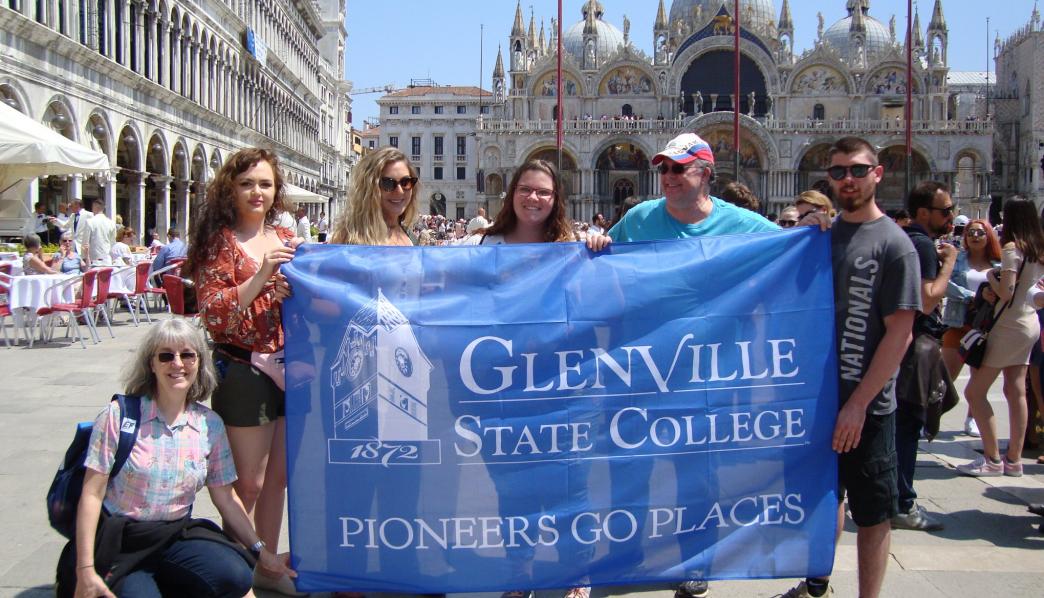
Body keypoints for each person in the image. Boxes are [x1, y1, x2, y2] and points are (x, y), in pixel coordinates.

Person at [608, 133, 779, 598]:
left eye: (678, 169)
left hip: (704, 373)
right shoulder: (640, 218)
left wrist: (821, 229)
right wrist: (592, 240)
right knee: (631, 468)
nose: (667, 177)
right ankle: (626, 554)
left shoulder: (741, 224)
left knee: (696, 473)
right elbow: (601, 257)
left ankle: (695, 560)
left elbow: (792, 251)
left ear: (705, 173)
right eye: (663, 169)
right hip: (642, 368)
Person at [56, 318, 294, 597]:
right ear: (151, 364)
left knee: (236, 575)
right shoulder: (119, 416)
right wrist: (85, 570)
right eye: (166, 356)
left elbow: (227, 500)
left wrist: (262, 553)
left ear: (199, 363)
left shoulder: (208, 425)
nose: (178, 364)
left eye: (187, 355)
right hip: (123, 538)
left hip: (174, 534)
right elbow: (92, 494)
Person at [782, 136, 920, 598]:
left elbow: (899, 335)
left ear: (877, 174)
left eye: (858, 171)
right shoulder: (820, 237)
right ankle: (816, 582)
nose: (848, 180)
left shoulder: (895, 245)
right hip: (817, 400)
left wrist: (859, 405)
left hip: (868, 407)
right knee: (824, 499)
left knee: (874, 511)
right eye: (838, 172)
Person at [465, 159, 607, 598]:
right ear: (512, 193)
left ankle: (574, 574)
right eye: (526, 189)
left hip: (563, 384)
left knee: (570, 480)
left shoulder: (572, 247)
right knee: (512, 486)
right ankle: (519, 572)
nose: (534, 198)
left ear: (556, 199)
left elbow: (599, 300)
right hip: (502, 386)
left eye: (543, 192)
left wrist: (598, 247)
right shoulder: (483, 245)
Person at [182, 147, 300, 596]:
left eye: (265, 184)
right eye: (248, 183)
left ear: (276, 191)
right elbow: (213, 315)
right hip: (242, 366)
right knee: (247, 482)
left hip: (289, 366)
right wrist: (261, 277)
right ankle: (236, 571)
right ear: (231, 188)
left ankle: (268, 566)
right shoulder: (220, 241)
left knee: (278, 479)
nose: (257, 192)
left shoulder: (284, 234)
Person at [957, 197, 1044, 478]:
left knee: (974, 391)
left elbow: (1005, 292)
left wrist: (990, 278)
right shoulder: (1037, 249)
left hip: (1007, 325)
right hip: (1029, 321)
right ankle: (1014, 460)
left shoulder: (1011, 249)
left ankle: (993, 458)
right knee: (1015, 389)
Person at [892, 181, 958, 533]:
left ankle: (894, 497)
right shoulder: (923, 246)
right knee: (908, 425)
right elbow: (928, 298)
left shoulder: (907, 240)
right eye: (945, 210)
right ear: (923, 213)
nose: (950, 216)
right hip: (915, 345)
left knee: (901, 423)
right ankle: (902, 502)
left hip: (902, 344)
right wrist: (949, 264)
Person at [940, 219, 1002, 436]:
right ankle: (931, 416)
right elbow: (946, 284)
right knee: (946, 377)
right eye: (971, 232)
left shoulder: (998, 264)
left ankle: (972, 418)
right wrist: (974, 296)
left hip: (985, 326)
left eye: (980, 232)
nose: (975, 236)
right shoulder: (958, 259)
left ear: (989, 236)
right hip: (959, 322)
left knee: (978, 378)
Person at [329, 147, 419, 246]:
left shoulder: (409, 236)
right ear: (369, 188)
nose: (399, 191)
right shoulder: (350, 238)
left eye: (405, 182)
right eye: (388, 183)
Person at [83, 199, 117, 266]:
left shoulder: (89, 222)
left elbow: (85, 242)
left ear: (94, 207)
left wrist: (84, 257)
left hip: (93, 258)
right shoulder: (111, 223)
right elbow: (113, 242)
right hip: (107, 258)